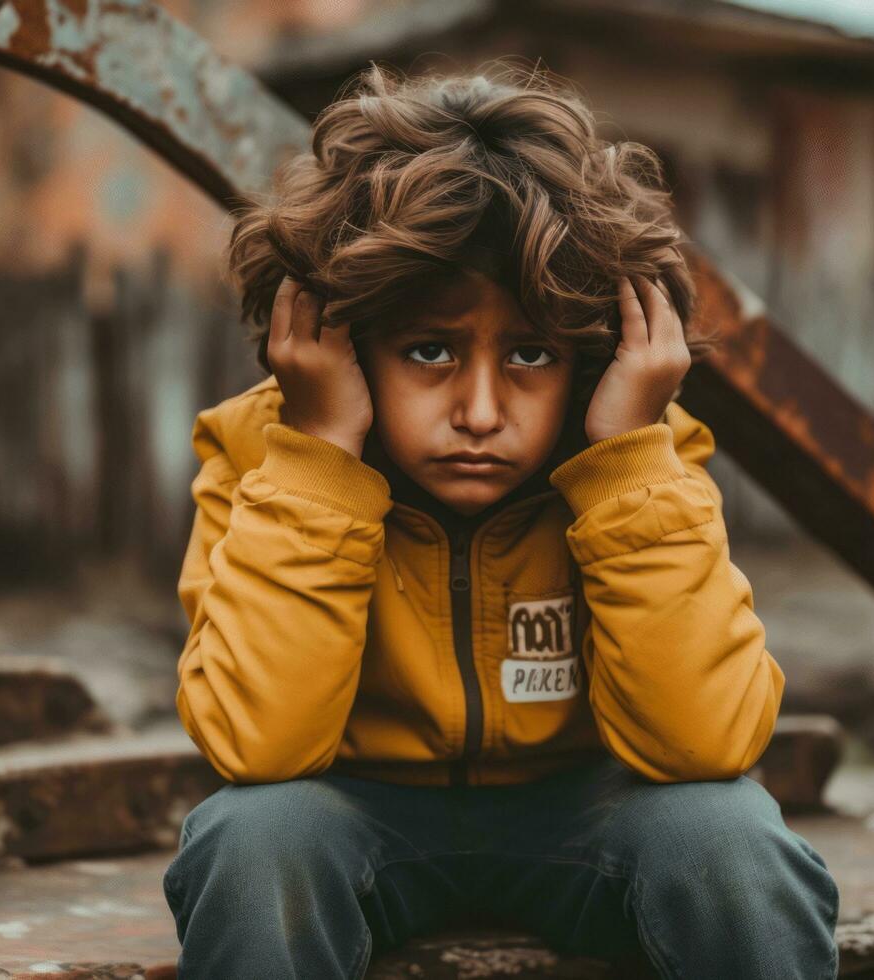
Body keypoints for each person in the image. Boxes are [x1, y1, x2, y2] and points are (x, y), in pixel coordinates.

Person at [162, 60, 840, 979]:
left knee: (728, 837)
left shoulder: (641, 457)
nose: (479, 410)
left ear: (594, 359)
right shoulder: (265, 455)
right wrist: (322, 457)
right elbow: (257, 746)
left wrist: (625, 466)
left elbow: (706, 744)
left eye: (530, 353)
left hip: (591, 813)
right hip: (351, 816)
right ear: (343, 340)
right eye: (428, 349)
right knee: (251, 841)